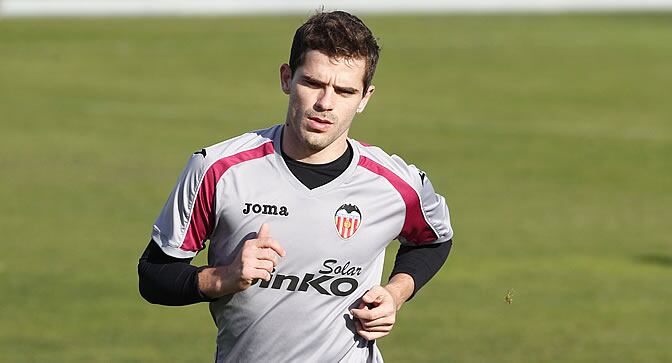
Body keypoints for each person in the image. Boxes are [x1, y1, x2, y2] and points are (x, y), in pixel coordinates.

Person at [138, 10, 454, 362]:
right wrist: (223, 278)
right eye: (313, 83)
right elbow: (153, 275)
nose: (325, 103)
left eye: (345, 91)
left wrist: (395, 293)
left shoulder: (397, 185)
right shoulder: (218, 170)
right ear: (287, 78)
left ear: (365, 98)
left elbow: (434, 240)